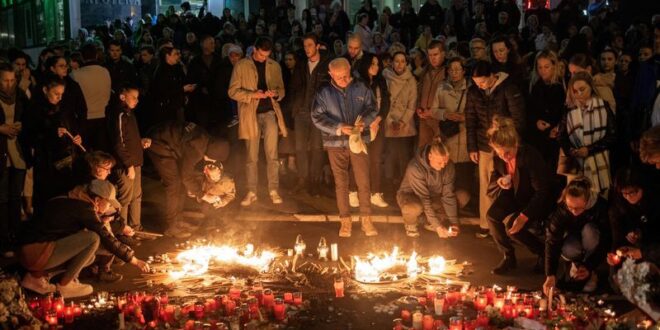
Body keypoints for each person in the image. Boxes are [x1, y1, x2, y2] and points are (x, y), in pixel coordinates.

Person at [18, 180, 150, 298]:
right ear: (97, 200)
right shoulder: (84, 208)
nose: (109, 208)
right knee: (93, 239)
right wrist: (134, 260)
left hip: (29, 249)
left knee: (89, 257)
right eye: (108, 203)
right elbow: (105, 237)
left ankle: (36, 278)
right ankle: (65, 285)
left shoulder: (74, 197)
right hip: (36, 252)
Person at [311, 57, 379, 237]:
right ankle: (345, 221)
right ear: (330, 74)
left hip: (358, 140)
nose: (344, 80)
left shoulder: (361, 86)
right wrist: (338, 128)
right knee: (341, 182)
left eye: (346, 76)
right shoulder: (324, 92)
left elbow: (373, 107)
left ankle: (366, 219)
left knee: (363, 180)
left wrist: (365, 121)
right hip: (336, 142)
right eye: (339, 77)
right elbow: (316, 117)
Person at [485, 116, 557, 275]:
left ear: (515, 144)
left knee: (513, 227)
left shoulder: (530, 156)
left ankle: (542, 253)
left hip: (536, 199)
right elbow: (494, 179)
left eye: (507, 152)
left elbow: (542, 191)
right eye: (499, 153)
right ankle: (508, 256)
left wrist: (523, 217)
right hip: (514, 193)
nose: (504, 157)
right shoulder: (499, 157)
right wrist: (500, 182)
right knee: (492, 216)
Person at [465, 60, 525, 239]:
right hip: (484, 144)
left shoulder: (508, 88)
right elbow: (471, 119)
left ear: (492, 76)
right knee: (486, 184)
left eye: (482, 82)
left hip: (505, 144)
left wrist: (513, 145)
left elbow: (519, 118)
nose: (480, 86)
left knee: (505, 183)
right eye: (476, 83)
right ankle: (486, 224)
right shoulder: (474, 91)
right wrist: (472, 146)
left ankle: (506, 224)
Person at [228, 37, 288, 206]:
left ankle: (273, 189)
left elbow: (281, 90)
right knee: (251, 156)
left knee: (272, 155)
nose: (263, 59)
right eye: (261, 55)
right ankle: (252, 190)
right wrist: (253, 95)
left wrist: (274, 93)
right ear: (254, 50)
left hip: (269, 112)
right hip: (250, 114)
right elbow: (232, 92)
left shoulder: (274, 66)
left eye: (266, 56)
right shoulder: (242, 66)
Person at [147, 121, 229, 238]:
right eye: (213, 160)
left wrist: (192, 188)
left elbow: (186, 168)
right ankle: (171, 227)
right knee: (173, 185)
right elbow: (186, 175)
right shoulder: (197, 149)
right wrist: (203, 195)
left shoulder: (205, 139)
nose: (211, 162)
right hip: (158, 143)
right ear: (212, 152)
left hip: (169, 143)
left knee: (180, 182)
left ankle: (177, 220)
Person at [21, 75, 83, 217]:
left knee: (64, 195)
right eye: (56, 94)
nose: (59, 97)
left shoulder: (63, 108)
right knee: (48, 199)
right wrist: (51, 133)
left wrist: (77, 136)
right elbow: (29, 137)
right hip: (46, 163)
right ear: (45, 90)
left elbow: (71, 126)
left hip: (65, 160)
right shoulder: (34, 110)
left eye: (62, 94)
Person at [543, 177, 610, 295]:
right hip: (573, 241)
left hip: (592, 241)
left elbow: (606, 239)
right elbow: (552, 241)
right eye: (570, 207)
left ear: (587, 200)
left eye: (579, 208)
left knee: (590, 231)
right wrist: (550, 275)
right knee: (569, 248)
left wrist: (589, 266)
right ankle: (577, 266)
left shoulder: (600, 206)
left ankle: (589, 272)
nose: (574, 211)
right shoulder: (561, 210)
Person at [289, 33, 333, 196]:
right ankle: (302, 180)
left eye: (309, 45)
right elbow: (294, 87)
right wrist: (295, 107)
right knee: (300, 148)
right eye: (305, 45)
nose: (307, 48)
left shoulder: (325, 65)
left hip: (318, 113)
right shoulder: (301, 65)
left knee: (316, 148)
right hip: (301, 111)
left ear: (317, 46)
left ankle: (314, 182)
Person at [558, 72, 615, 196]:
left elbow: (612, 135)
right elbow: (562, 135)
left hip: (598, 161)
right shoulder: (569, 109)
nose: (579, 94)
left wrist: (589, 150)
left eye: (582, 89)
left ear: (591, 87)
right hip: (576, 165)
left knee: (598, 197)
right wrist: (570, 150)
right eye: (575, 91)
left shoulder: (602, 106)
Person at [107, 84, 150, 233]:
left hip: (135, 162)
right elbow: (118, 142)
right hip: (126, 165)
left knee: (136, 196)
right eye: (133, 97)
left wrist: (140, 142)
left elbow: (129, 138)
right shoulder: (119, 114)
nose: (136, 101)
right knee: (124, 199)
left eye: (137, 98)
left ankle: (136, 227)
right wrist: (128, 165)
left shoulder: (130, 114)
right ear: (122, 97)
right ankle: (121, 230)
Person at [431, 57, 472, 211]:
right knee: (449, 175)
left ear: (463, 71)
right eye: (451, 69)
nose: (454, 73)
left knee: (465, 175)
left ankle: (463, 206)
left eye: (457, 69)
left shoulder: (471, 88)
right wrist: (446, 114)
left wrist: (464, 117)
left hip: (466, 137)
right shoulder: (442, 88)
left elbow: (477, 111)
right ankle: (448, 207)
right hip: (449, 138)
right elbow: (434, 110)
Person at [349, 53, 389, 208]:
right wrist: (364, 123)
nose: (376, 67)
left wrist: (378, 120)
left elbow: (386, 102)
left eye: (378, 64)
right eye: (372, 63)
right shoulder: (357, 83)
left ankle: (375, 193)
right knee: (359, 160)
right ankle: (352, 191)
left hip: (377, 126)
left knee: (376, 160)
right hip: (360, 126)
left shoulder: (380, 81)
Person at [397, 138, 459, 238]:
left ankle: (430, 221)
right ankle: (411, 224)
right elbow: (424, 199)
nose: (443, 166)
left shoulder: (449, 166)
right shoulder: (415, 168)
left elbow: (448, 195)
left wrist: (454, 223)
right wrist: (438, 227)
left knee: (462, 197)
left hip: (434, 196)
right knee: (414, 208)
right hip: (413, 197)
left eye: (445, 162)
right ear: (430, 156)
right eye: (439, 162)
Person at [0, 63, 28, 258]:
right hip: (1, 153)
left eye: (12, 80)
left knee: (15, 196)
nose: (9, 84)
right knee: (2, 198)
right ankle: (3, 241)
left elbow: (30, 117)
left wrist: (21, 125)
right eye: (5, 80)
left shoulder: (20, 96)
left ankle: (17, 237)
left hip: (17, 152)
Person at [608, 167, 660, 266]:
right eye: (624, 193)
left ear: (642, 188)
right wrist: (616, 252)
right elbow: (617, 237)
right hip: (633, 248)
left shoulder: (655, 201)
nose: (628, 197)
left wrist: (643, 252)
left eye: (633, 192)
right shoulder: (618, 206)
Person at [526, 50, 566, 168]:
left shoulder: (560, 87)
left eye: (546, 67)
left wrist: (555, 126)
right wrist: (535, 122)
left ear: (554, 66)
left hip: (554, 136)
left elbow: (562, 111)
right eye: (540, 67)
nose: (543, 70)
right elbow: (530, 109)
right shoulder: (534, 86)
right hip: (538, 135)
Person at [383, 52, 417, 187]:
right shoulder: (385, 78)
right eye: (397, 61)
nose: (400, 64)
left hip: (405, 125)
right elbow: (383, 102)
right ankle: (389, 185)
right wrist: (391, 121)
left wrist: (402, 122)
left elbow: (412, 104)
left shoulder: (411, 80)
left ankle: (405, 185)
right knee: (390, 155)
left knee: (404, 156)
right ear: (392, 62)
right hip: (389, 122)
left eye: (403, 61)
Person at [70, 43, 111, 152]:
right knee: (102, 151)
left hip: (85, 119)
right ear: (96, 55)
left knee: (86, 152)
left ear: (82, 57)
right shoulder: (105, 72)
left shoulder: (75, 75)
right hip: (103, 116)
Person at [148, 46, 194, 128]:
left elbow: (182, 81)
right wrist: (182, 89)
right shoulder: (161, 72)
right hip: (168, 110)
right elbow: (163, 91)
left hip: (178, 105)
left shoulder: (177, 67)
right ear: (167, 56)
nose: (179, 56)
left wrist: (185, 93)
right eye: (176, 54)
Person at [186, 35, 223, 129]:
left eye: (213, 43)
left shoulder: (218, 60)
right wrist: (200, 87)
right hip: (200, 101)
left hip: (216, 100)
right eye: (211, 43)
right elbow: (191, 79)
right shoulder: (195, 61)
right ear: (203, 44)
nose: (214, 45)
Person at [415, 40, 447, 147]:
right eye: (430, 55)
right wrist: (419, 107)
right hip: (424, 118)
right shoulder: (425, 71)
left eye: (435, 54)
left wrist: (434, 112)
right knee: (423, 150)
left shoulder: (448, 71)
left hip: (440, 120)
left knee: (439, 149)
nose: (432, 58)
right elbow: (420, 91)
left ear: (443, 54)